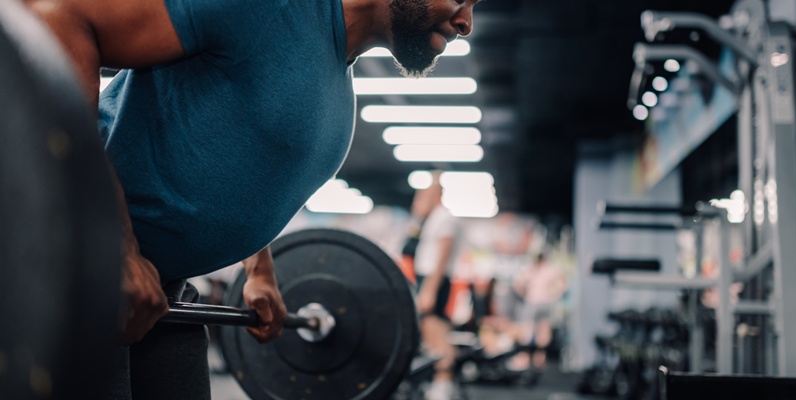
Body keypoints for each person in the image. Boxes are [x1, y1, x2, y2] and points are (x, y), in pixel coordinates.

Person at [21, 0, 479, 397]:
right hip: (66, 269)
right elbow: (60, 17)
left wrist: (260, 271)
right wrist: (114, 250)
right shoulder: (267, 7)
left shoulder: (338, 97)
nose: (467, 23)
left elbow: (234, 163)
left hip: (162, 296)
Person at [411, 173, 461, 400]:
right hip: (429, 279)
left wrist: (429, 290)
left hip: (435, 280)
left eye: (423, 195)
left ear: (435, 194)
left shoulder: (444, 218)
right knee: (432, 335)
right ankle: (442, 385)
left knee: (437, 334)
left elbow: (442, 256)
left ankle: (443, 386)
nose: (418, 199)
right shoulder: (434, 219)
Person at [513, 253, 565, 372]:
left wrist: (525, 294)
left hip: (534, 301)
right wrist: (554, 294)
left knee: (530, 329)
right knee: (541, 330)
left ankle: (529, 357)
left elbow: (518, 283)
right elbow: (562, 282)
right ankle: (538, 358)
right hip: (545, 301)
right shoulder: (548, 269)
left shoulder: (531, 269)